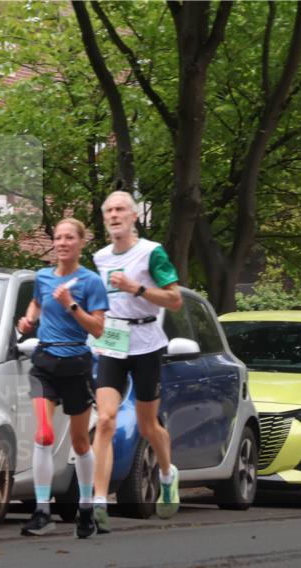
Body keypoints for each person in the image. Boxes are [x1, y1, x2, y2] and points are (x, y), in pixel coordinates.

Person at [90, 191, 183, 530]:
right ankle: (99, 501)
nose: (114, 215)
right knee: (105, 420)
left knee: (147, 424)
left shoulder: (151, 253)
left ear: (133, 217)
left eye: (120, 210)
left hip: (146, 344)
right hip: (113, 343)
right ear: (105, 220)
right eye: (109, 211)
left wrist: (136, 289)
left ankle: (167, 473)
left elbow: (174, 301)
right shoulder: (100, 257)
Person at [17, 218, 107, 538]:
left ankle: (85, 507)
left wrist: (70, 305)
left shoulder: (91, 282)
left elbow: (97, 328)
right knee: (42, 434)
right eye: (58, 237)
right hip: (44, 362)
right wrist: (27, 322)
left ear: (81, 243)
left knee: (81, 442)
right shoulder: (42, 277)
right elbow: (37, 303)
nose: (63, 243)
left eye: (70, 237)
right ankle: (42, 510)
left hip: (77, 364)